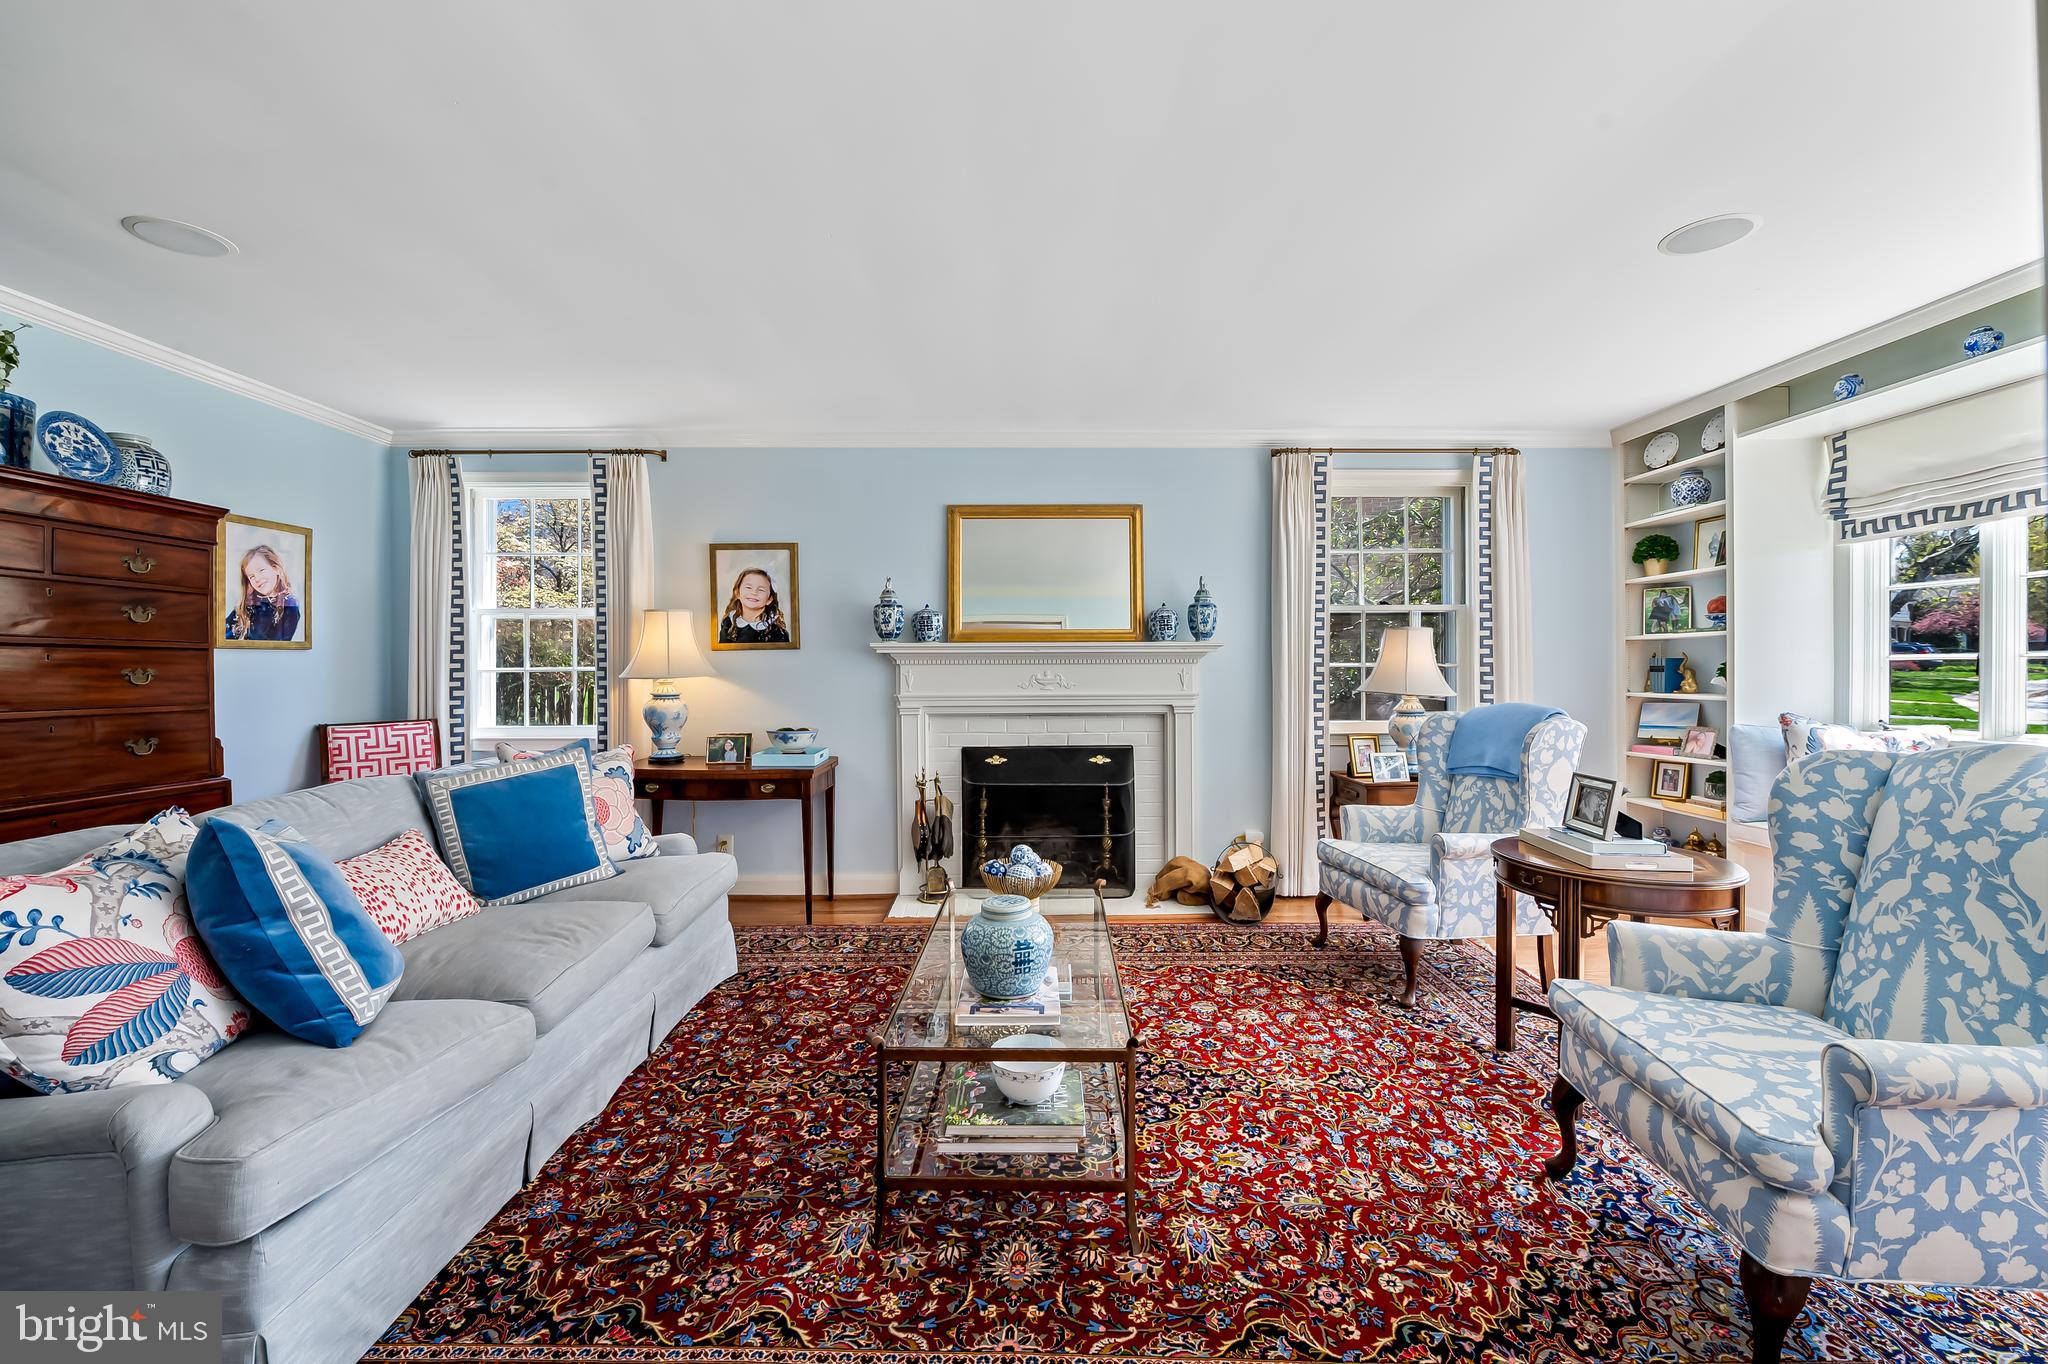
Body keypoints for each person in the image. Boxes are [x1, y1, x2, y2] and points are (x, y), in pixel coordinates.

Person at [224, 544, 302, 642]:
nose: (257, 579)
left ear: (276, 569)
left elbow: (278, 642)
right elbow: (223, 634)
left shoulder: (289, 604)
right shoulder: (247, 605)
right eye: (251, 576)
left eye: (261, 570)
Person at [718, 566, 790, 643]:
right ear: (737, 593)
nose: (754, 592)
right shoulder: (729, 623)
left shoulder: (776, 631)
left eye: (761, 590)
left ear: (769, 599)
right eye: (748, 587)